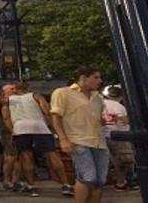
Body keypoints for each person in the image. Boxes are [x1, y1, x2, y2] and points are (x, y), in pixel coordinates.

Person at [50, 67, 108, 203]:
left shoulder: (98, 97)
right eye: (95, 77)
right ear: (83, 78)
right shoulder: (63, 93)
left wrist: (102, 120)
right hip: (78, 139)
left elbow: (98, 117)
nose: (100, 80)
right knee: (87, 177)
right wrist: (63, 139)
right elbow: (56, 117)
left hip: (99, 140)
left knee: (99, 180)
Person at [7, 81, 70, 197]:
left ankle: (32, 186)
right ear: (28, 88)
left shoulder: (9, 99)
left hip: (20, 128)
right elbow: (46, 111)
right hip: (40, 127)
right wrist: (54, 129)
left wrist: (12, 130)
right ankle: (66, 185)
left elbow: (4, 116)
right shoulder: (35, 96)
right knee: (52, 155)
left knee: (26, 157)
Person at [102, 86, 135, 191]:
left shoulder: (101, 104)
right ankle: (128, 182)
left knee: (114, 161)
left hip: (105, 135)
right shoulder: (118, 106)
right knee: (126, 160)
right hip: (120, 134)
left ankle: (120, 182)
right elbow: (125, 121)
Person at [0, 83, 21, 191]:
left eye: (14, 88)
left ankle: (16, 181)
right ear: (4, 91)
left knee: (19, 157)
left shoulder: (18, 100)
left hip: (20, 130)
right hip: (7, 132)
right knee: (11, 156)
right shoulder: (2, 101)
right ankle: (7, 180)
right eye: (12, 88)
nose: (14, 90)